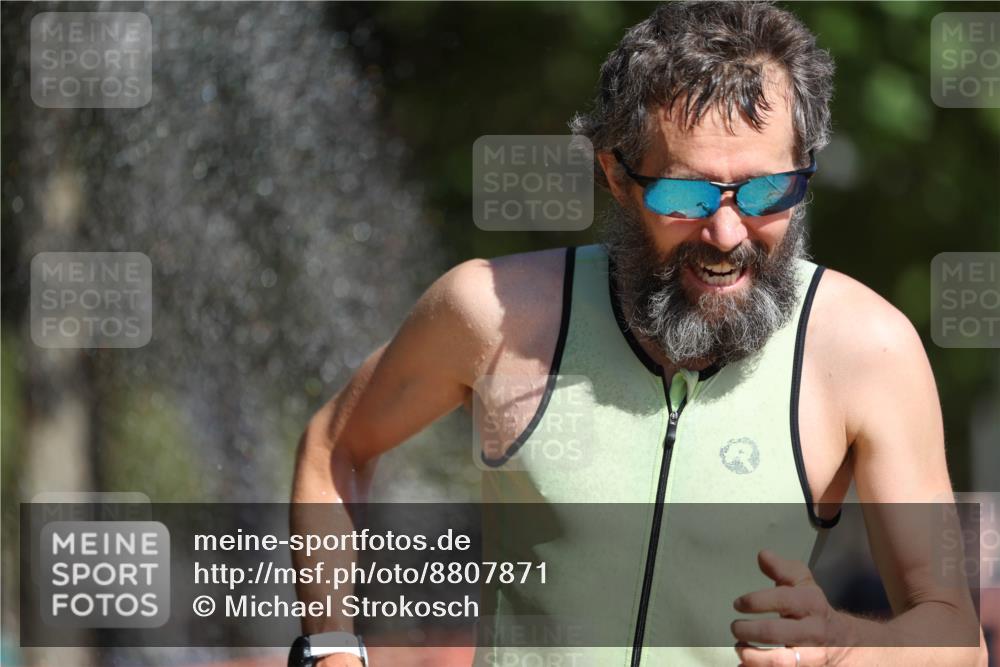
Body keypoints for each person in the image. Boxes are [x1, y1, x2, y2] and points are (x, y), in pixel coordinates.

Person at [290, 2, 988, 665]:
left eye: (765, 191)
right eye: (685, 195)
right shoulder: (493, 314)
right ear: (616, 176)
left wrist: (841, 647)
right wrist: (331, 645)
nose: (726, 233)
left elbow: (957, 637)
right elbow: (334, 448)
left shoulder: (868, 350)